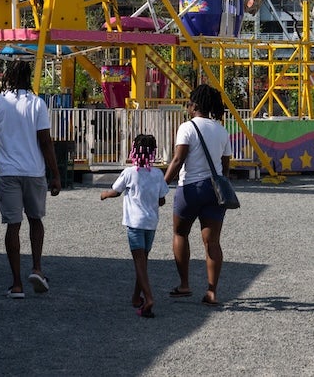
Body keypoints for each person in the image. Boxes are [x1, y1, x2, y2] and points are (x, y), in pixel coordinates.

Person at [0, 58, 61, 298]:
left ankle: (16, 283)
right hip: (34, 171)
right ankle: (37, 268)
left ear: (7, 77)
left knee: (12, 226)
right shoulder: (37, 104)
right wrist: (55, 174)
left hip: (7, 172)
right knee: (36, 220)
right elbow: (45, 142)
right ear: (29, 78)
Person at [163, 83, 231, 306]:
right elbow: (225, 166)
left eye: (189, 103)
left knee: (180, 233)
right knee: (212, 242)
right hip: (214, 190)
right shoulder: (221, 131)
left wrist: (162, 185)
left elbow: (178, 159)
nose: (188, 107)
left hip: (190, 188)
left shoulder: (187, 127)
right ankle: (212, 292)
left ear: (194, 105)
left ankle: (184, 284)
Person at [99, 133, 167, 318]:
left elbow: (116, 191)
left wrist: (104, 194)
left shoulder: (129, 172)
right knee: (143, 261)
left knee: (139, 263)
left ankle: (149, 298)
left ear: (134, 151)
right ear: (153, 152)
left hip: (135, 223)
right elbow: (162, 200)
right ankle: (136, 297)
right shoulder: (158, 174)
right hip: (151, 223)